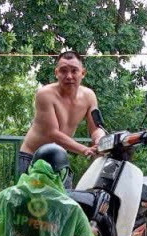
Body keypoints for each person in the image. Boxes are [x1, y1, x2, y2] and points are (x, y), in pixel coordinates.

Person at [18, 51, 105, 187]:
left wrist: (101, 141)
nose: (69, 76)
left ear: (83, 73)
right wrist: (84, 149)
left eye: (74, 71)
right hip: (33, 157)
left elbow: (96, 128)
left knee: (64, 203)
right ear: (56, 73)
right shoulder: (45, 94)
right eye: (63, 71)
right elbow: (53, 134)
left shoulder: (89, 96)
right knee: (32, 205)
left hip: (59, 158)